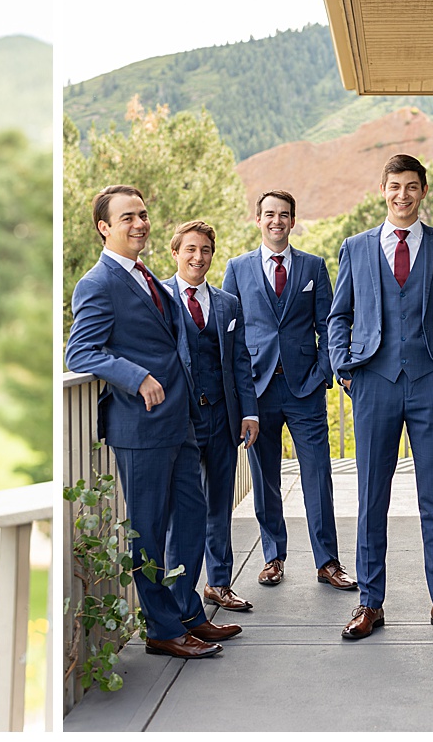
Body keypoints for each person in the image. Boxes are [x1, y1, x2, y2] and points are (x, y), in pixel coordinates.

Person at [66, 186, 241, 659]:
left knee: (190, 521)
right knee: (147, 531)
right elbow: (80, 351)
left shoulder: (149, 278)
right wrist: (137, 376)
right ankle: (162, 629)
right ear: (104, 227)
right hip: (140, 428)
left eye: (142, 215)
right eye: (127, 218)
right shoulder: (97, 283)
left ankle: (188, 614)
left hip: (180, 422)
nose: (140, 223)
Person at [327, 153, 433, 640]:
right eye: (395, 186)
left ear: (423, 191)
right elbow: (339, 316)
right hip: (373, 383)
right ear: (383, 188)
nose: (402, 195)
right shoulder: (355, 247)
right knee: (372, 498)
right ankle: (370, 604)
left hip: (431, 385)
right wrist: (344, 367)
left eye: (412, 186)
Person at [222, 191, 356, 592]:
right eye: (269, 214)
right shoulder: (237, 268)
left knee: (318, 474)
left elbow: (330, 325)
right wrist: (240, 393)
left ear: (293, 221)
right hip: (257, 393)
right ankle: (273, 557)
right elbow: (232, 333)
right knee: (265, 480)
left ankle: (327, 561)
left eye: (283, 215)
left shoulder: (313, 266)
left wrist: (322, 373)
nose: (276, 221)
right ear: (257, 220)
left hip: (304, 390)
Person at [162, 221, 259, 612]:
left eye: (204, 250)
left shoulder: (227, 304)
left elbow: (240, 361)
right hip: (179, 421)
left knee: (219, 504)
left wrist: (249, 412)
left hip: (222, 416)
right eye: (190, 250)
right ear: (175, 253)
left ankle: (219, 584)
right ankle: (175, 593)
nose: (197, 258)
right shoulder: (160, 300)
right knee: (180, 510)